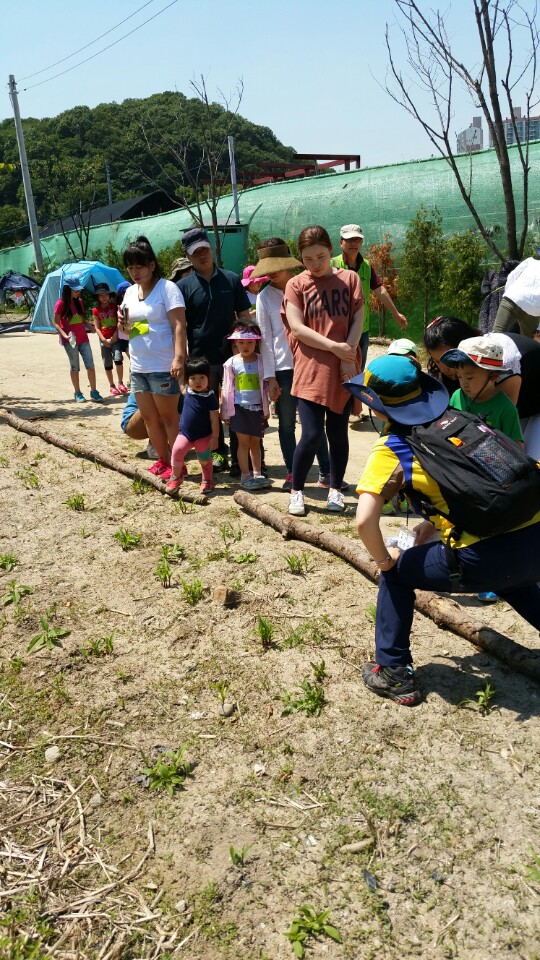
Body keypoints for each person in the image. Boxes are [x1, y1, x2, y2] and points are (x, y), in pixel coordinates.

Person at [347, 354, 540, 706]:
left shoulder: (394, 447)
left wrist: (385, 561)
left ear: (375, 407)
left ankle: (393, 673)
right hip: (534, 540)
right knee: (517, 580)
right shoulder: (461, 420)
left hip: (486, 558)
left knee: (398, 576)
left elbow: (364, 520)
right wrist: (428, 524)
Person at [282, 225, 364, 516]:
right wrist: (335, 348)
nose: (315, 264)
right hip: (311, 369)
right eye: (308, 259)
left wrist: (348, 353)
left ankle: (336, 489)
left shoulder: (350, 279)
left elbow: (357, 318)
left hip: (343, 366)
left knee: (339, 432)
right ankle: (297, 491)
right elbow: (297, 328)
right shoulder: (296, 285)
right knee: (312, 434)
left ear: (331, 250)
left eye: (320, 256)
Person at [440, 335, 524, 604]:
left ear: (492, 375)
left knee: (490, 530)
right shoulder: (456, 396)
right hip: (459, 473)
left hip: (491, 479)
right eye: (460, 375)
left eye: (472, 376)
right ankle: (457, 569)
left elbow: (517, 447)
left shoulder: (504, 408)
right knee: (458, 523)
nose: (464, 382)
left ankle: (491, 580)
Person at [253, 237, 334, 491]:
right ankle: (292, 471)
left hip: (309, 363)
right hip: (283, 367)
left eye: (277, 265)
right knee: (286, 424)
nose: (273, 272)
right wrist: (270, 376)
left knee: (314, 424)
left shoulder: (306, 286)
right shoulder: (265, 296)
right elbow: (264, 339)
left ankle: (326, 471)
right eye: (269, 267)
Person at [177, 227, 252, 474]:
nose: (202, 256)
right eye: (195, 253)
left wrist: (248, 351)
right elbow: (179, 324)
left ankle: (241, 458)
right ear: (188, 257)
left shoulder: (231, 280)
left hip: (232, 357)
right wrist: (182, 358)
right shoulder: (184, 287)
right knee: (208, 409)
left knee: (235, 406)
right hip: (200, 360)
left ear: (211, 248)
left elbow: (244, 318)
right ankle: (217, 453)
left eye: (204, 249)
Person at [424, 315, 540, 458]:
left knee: (532, 458)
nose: (443, 369)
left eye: (446, 360)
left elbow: (503, 427)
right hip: (514, 391)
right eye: (437, 361)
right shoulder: (467, 378)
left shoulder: (501, 365)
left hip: (534, 396)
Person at [120, 235, 186, 481]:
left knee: (169, 418)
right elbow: (136, 329)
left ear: (152, 265)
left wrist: (179, 358)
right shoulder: (128, 292)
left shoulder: (168, 289)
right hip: (138, 366)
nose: (135, 272)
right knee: (149, 418)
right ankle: (162, 460)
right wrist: (125, 327)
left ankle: (178, 462)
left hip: (162, 365)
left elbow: (179, 325)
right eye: (130, 267)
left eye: (140, 266)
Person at [331, 223, 407, 380]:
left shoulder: (366, 265)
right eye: (349, 239)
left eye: (357, 240)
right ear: (341, 242)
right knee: (336, 370)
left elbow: (380, 290)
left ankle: (355, 401)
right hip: (338, 329)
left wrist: (396, 313)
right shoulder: (332, 264)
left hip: (361, 330)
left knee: (358, 369)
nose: (353, 243)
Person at [221, 320, 270, 492]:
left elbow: (265, 386)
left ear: (256, 342)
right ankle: (245, 475)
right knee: (243, 443)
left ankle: (257, 473)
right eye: (241, 342)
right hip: (239, 408)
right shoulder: (231, 363)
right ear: (235, 343)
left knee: (256, 442)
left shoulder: (262, 361)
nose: (245, 345)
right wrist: (225, 412)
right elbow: (226, 388)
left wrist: (267, 408)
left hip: (257, 408)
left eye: (250, 342)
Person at [166, 356, 219, 496]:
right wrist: (178, 369)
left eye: (202, 377)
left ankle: (207, 480)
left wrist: (215, 436)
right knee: (176, 451)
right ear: (188, 379)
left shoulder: (210, 397)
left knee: (204, 458)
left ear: (208, 378)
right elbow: (181, 382)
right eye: (193, 378)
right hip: (185, 434)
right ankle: (176, 477)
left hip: (203, 436)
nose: (198, 381)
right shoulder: (188, 391)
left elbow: (214, 419)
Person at [52, 277, 103, 403]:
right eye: (75, 290)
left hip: (83, 338)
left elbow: (80, 317)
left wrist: (88, 325)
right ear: (67, 290)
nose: (77, 292)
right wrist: (64, 335)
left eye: (78, 290)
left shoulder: (79, 301)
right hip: (71, 341)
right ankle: (78, 392)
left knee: (90, 365)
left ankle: (94, 391)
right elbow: (56, 323)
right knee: (75, 367)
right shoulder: (60, 304)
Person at [92, 284, 128, 396]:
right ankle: (112, 385)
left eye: (106, 294)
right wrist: (103, 339)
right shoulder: (95, 310)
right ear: (98, 297)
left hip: (115, 338)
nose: (104, 297)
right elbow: (97, 327)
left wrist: (115, 336)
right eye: (101, 295)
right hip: (104, 339)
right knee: (107, 363)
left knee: (118, 359)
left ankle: (120, 382)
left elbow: (119, 322)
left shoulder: (114, 307)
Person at [492, 258, 540, 338]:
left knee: (496, 336)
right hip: (533, 309)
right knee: (529, 345)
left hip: (512, 299)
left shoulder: (531, 261)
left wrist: (508, 293)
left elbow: (512, 276)